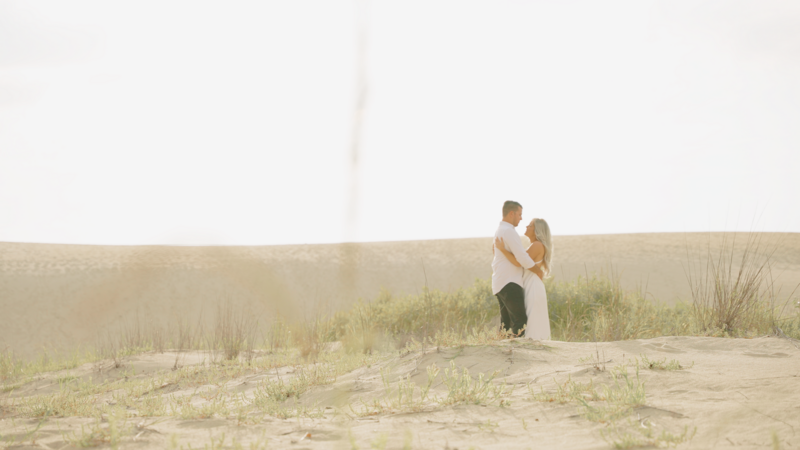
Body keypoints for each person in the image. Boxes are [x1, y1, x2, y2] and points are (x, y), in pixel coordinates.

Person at [494, 217, 553, 340]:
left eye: (530, 225)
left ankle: (531, 344)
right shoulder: (534, 245)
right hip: (529, 283)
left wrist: (502, 249)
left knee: (531, 318)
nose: (526, 227)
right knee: (529, 317)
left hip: (532, 285)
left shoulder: (537, 245)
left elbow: (518, 262)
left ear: (537, 230)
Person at [491, 201, 542, 336]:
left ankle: (502, 352)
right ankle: (518, 354)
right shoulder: (508, 231)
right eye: (519, 214)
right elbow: (522, 258)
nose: (521, 218)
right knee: (520, 322)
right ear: (511, 213)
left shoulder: (500, 230)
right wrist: (538, 271)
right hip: (509, 282)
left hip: (500, 282)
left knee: (506, 323)